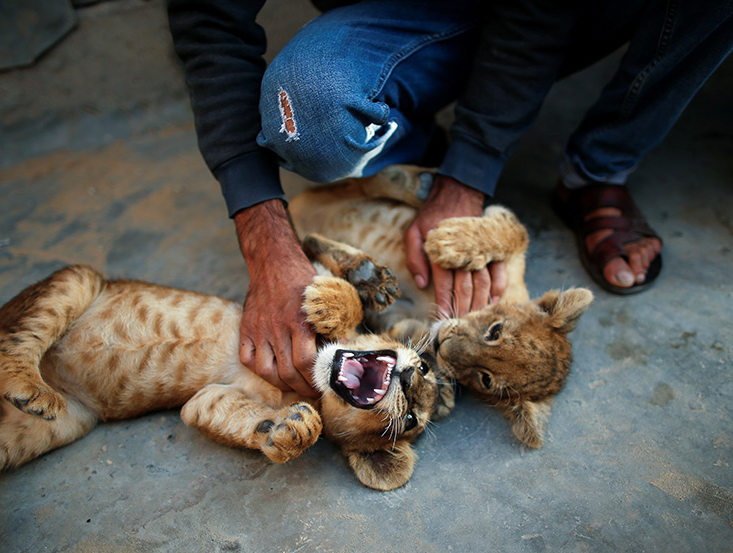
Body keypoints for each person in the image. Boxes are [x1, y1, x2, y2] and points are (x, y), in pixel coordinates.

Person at [168, 0, 733, 397]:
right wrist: (260, 231)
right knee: (308, 109)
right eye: (489, 342)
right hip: (407, 14)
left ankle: (600, 165)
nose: (461, 353)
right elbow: (208, 20)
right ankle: (415, 156)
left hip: (563, 11)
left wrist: (471, 171)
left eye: (482, 376)